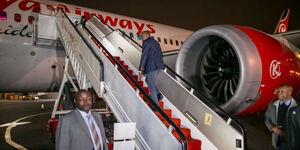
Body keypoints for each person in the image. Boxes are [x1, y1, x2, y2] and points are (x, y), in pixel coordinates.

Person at [265, 84, 297, 150]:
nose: (279, 93)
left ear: (289, 92)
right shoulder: (271, 105)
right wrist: (272, 128)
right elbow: (267, 118)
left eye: (282, 91)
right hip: (277, 142)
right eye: (278, 91)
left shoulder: (297, 107)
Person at [138, 31, 165, 104]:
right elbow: (160, 54)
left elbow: (144, 56)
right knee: (148, 80)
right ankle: (158, 94)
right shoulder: (155, 42)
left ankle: (155, 106)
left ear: (147, 35)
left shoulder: (146, 42)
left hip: (152, 67)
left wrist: (141, 71)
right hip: (159, 66)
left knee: (151, 86)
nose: (141, 39)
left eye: (142, 36)